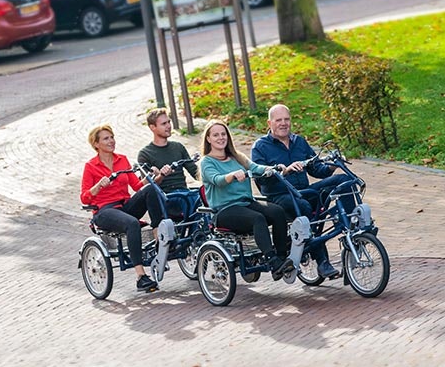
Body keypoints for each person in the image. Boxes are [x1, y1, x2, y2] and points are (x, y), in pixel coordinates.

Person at [251, 104, 354, 279]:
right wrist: (284, 171)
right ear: (269, 123)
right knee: (305, 206)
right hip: (280, 197)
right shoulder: (260, 147)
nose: (283, 123)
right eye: (278, 120)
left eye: (286, 119)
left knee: (345, 181)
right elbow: (259, 177)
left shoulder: (299, 141)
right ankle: (322, 262)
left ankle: (353, 229)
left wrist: (332, 165)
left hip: (305, 191)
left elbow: (317, 169)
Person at [199, 120, 294, 281]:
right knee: (257, 218)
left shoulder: (237, 157)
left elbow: (256, 168)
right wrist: (232, 175)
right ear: (208, 139)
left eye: (223, 134)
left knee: (277, 211)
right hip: (225, 210)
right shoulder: (206, 162)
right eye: (215, 135)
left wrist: (273, 168)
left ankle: (281, 256)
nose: (221, 138)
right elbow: (217, 180)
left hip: (246, 203)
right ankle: (272, 260)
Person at [80, 124, 163, 292]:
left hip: (124, 206)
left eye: (112, 137)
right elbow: (84, 197)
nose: (111, 141)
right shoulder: (91, 166)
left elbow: (136, 185)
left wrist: (155, 177)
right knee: (132, 223)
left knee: (151, 189)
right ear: (96, 144)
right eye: (106, 138)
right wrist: (98, 187)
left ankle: (158, 234)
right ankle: (141, 276)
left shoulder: (122, 160)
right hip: (105, 211)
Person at [137, 108, 199, 220]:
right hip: (165, 197)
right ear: (152, 127)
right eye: (164, 124)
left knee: (202, 196)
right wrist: (161, 175)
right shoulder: (145, 153)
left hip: (184, 192)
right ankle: (198, 235)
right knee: (190, 198)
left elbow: (195, 173)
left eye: (169, 122)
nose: (169, 126)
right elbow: (147, 186)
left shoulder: (178, 147)